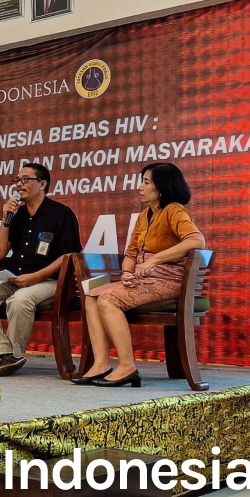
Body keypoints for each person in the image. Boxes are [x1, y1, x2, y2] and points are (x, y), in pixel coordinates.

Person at [71, 162, 205, 387]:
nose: (139, 187)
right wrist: (126, 272)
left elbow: (196, 240)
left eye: (146, 182)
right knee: (92, 296)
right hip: (146, 281)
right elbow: (131, 254)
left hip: (169, 281)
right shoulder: (144, 215)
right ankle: (101, 364)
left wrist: (154, 259)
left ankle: (127, 367)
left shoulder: (174, 210)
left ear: (161, 187)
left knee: (108, 299)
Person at [0, 163, 82, 376]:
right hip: (16, 278)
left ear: (42, 184)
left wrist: (35, 277)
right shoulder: (17, 215)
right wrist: (5, 220)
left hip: (50, 281)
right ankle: (1, 352)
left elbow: (69, 256)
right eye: (17, 180)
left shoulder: (61, 214)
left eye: (25, 179)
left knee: (20, 299)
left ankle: (14, 355)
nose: (19, 184)